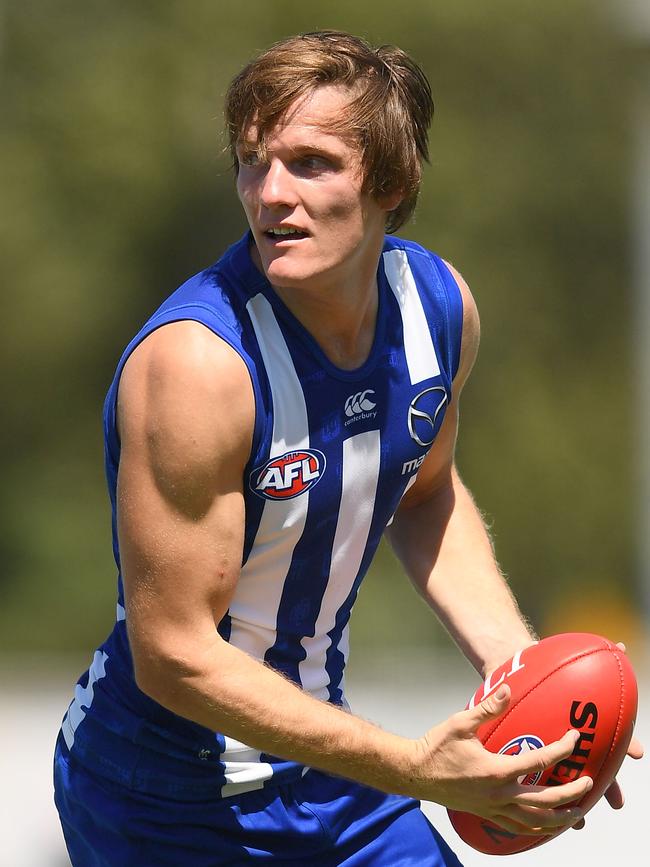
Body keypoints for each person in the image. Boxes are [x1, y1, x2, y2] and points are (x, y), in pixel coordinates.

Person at [53, 30, 641, 866]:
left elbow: (426, 490)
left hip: (329, 775)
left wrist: (529, 694)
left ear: (392, 183)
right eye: (252, 162)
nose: (270, 195)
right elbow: (174, 656)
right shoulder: (196, 367)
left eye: (311, 163)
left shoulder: (438, 311)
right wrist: (417, 768)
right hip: (161, 803)